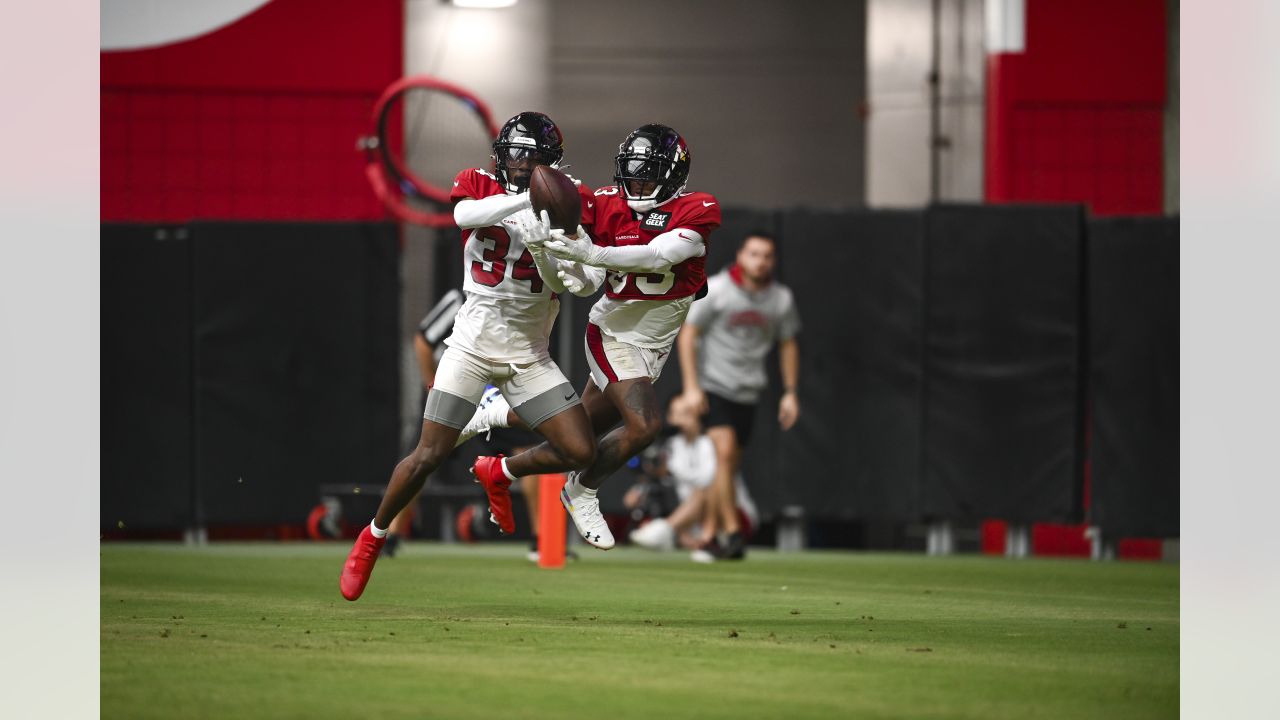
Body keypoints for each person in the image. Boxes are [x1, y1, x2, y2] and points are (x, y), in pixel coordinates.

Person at [339, 111, 600, 601]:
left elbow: (584, 282)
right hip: (471, 347)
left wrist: (559, 239)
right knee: (428, 454)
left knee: (581, 450)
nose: (520, 163)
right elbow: (462, 216)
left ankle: (496, 466)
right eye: (514, 153)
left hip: (529, 354)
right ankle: (371, 537)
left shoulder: (573, 197)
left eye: (531, 157)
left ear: (550, 162)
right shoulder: (478, 182)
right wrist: (529, 200)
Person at [464, 123, 721, 552]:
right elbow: (592, 277)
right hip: (614, 335)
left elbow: (661, 254)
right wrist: (578, 262)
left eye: (649, 172)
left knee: (575, 438)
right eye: (633, 171)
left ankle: (500, 461)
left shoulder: (697, 208)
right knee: (645, 426)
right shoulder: (605, 204)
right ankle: (582, 491)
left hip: (653, 345)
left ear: (674, 175)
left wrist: (593, 254)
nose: (638, 181)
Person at [677, 231, 801, 561]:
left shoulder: (780, 299)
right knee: (725, 452)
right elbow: (688, 334)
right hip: (714, 388)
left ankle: (712, 536)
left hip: (749, 392)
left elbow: (788, 342)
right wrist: (692, 387)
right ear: (741, 255)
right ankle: (732, 533)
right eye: (754, 254)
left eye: (767, 256)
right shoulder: (717, 290)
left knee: (727, 468)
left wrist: (790, 393)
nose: (760, 262)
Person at [629, 395, 759, 555]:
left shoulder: (714, 441)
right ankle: (674, 532)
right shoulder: (672, 446)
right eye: (677, 413)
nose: (682, 418)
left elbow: (707, 481)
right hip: (695, 523)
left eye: (686, 412)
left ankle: (666, 528)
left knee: (706, 488)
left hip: (734, 518)